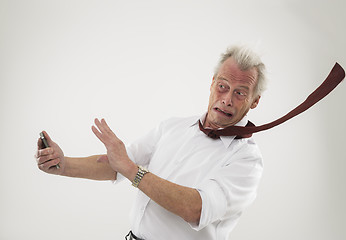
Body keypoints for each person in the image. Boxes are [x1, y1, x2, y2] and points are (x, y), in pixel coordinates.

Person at [35, 45, 267, 240]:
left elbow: (196, 209)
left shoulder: (247, 160)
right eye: (223, 86)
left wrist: (132, 170)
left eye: (240, 93)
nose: (226, 99)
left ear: (254, 101)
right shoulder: (173, 126)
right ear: (212, 83)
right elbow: (117, 164)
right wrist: (63, 165)